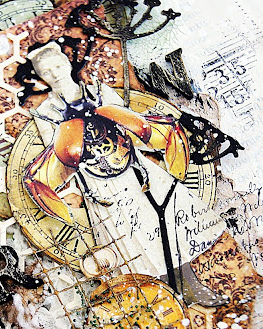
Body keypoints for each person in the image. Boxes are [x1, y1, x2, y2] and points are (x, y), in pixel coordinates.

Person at [23, 42, 227, 304]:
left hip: (134, 170)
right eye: (46, 71)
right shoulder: (44, 113)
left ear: (66, 61)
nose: (54, 73)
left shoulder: (99, 90)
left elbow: (134, 128)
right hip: (99, 186)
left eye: (57, 66)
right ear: (40, 76)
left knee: (166, 227)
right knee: (133, 245)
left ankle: (191, 287)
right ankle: (163, 300)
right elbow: (62, 159)